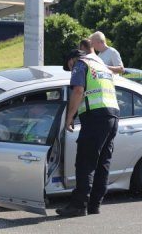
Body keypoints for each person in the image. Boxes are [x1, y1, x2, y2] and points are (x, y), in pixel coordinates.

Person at [56, 48, 120, 217]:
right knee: (102, 163)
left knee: (86, 162)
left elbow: (78, 90)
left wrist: (70, 117)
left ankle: (78, 206)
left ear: (71, 60)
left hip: (95, 117)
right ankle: (94, 205)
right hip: (113, 116)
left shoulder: (80, 64)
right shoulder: (101, 67)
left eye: (69, 67)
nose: (70, 70)